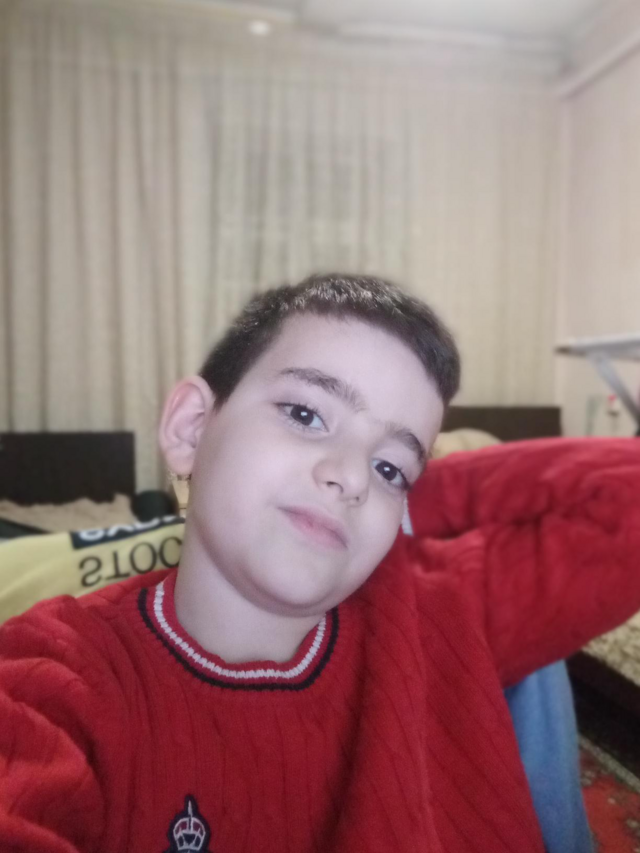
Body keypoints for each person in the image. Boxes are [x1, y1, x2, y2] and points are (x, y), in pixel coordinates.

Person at [1, 273, 639, 853]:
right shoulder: (52, 680)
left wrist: (419, 495)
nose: (350, 477)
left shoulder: (435, 611)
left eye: (388, 467)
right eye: (306, 414)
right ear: (193, 427)